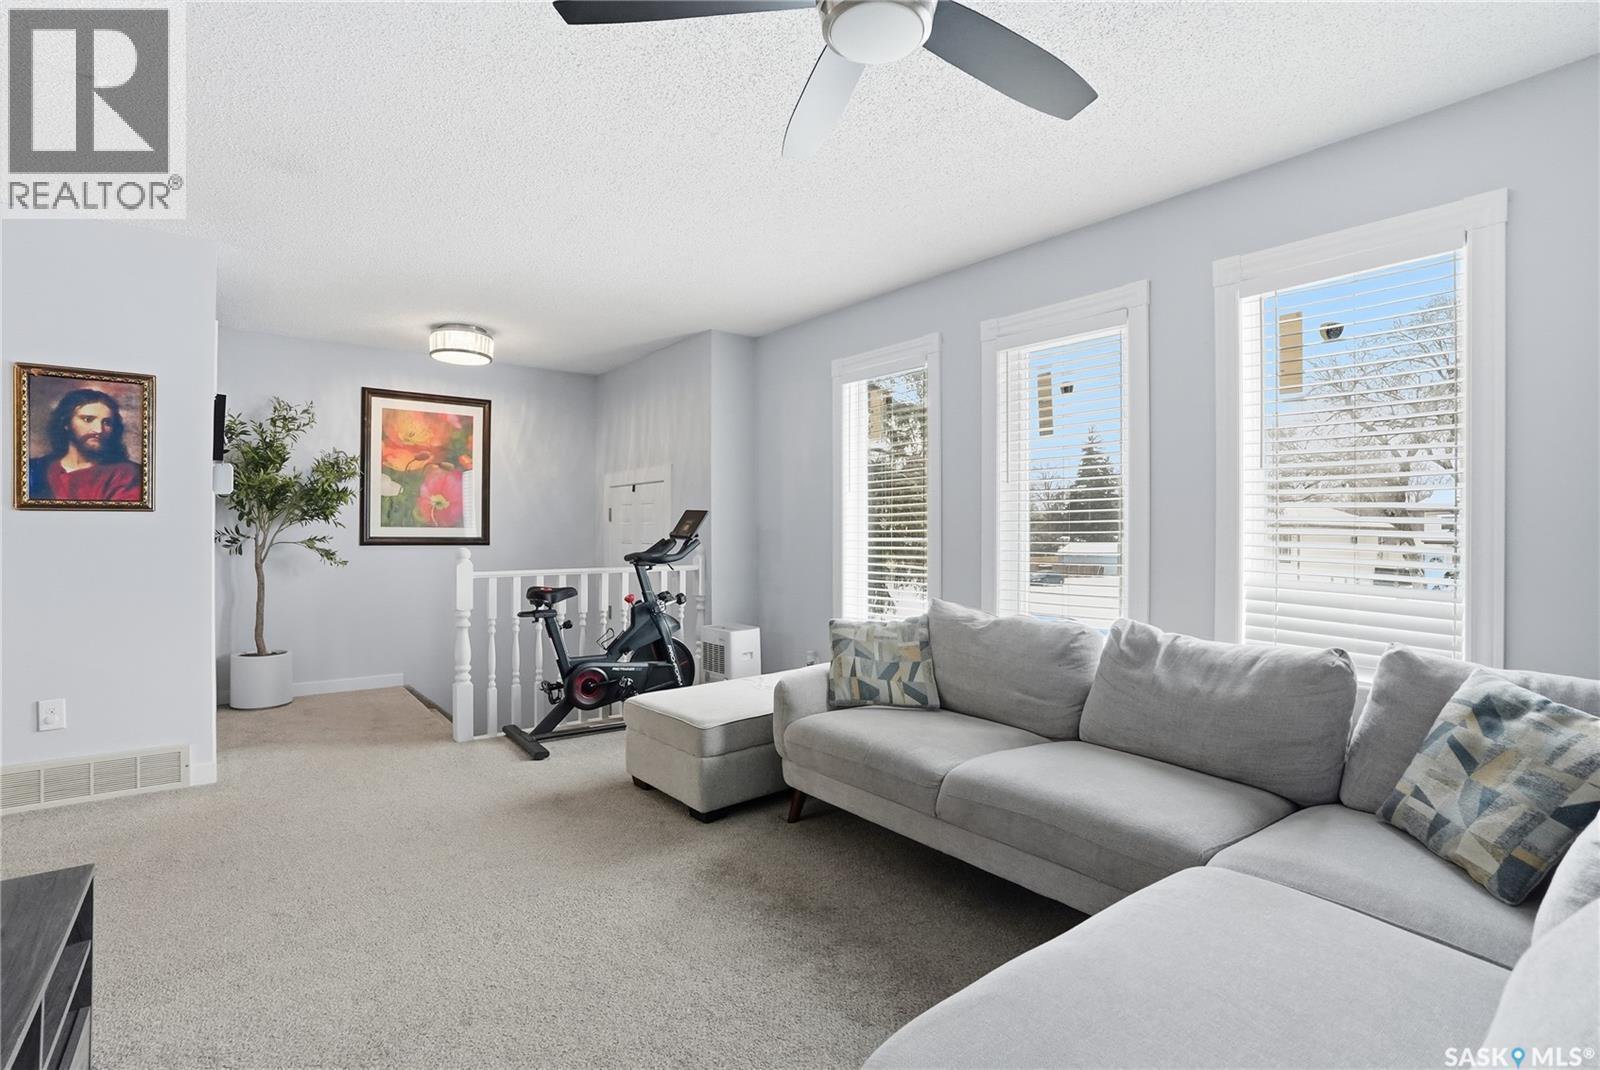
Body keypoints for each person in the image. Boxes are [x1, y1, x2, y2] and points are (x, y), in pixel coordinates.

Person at [28, 388, 143, 502]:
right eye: (88, 419)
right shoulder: (36, 468)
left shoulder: (126, 474)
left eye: (107, 422)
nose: (99, 430)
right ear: (66, 423)